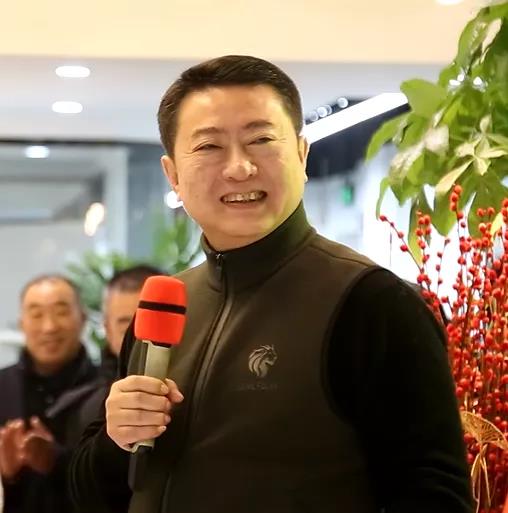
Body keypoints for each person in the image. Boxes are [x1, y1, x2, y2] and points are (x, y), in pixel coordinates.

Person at [69, 55, 473, 513]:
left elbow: (435, 494)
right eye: (209, 146)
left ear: (302, 155)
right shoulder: (165, 307)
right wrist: (116, 439)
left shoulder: (373, 303)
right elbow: (91, 495)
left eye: (261, 140)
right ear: (173, 176)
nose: (239, 168)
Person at [0, 274, 97, 513]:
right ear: (22, 323)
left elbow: (117, 479)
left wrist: (57, 461)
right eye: (36, 314)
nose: (49, 327)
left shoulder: (107, 389)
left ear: (83, 319)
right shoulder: (2, 386)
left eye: (61, 312)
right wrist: (4, 473)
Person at [77, 265, 162, 432]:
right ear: (108, 330)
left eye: (151, 324)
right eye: (126, 329)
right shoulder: (87, 409)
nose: (139, 338)